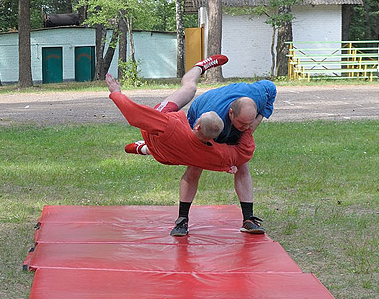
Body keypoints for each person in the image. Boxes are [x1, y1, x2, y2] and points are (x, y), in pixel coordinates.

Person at [169, 57, 276, 237]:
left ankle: (248, 219)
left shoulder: (260, 93)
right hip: (204, 114)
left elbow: (271, 88)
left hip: (230, 111)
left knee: (242, 164)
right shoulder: (209, 120)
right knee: (195, 165)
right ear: (231, 113)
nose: (245, 128)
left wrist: (254, 123)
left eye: (248, 123)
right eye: (242, 124)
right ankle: (182, 219)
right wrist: (224, 162)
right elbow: (204, 149)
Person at [106, 74, 253, 173]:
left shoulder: (172, 127)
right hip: (167, 157)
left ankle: (200, 67)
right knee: (172, 151)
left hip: (155, 138)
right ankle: (143, 148)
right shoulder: (218, 155)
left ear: (197, 126)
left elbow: (135, 116)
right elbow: (244, 152)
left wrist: (116, 93)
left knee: (189, 88)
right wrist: (246, 127)